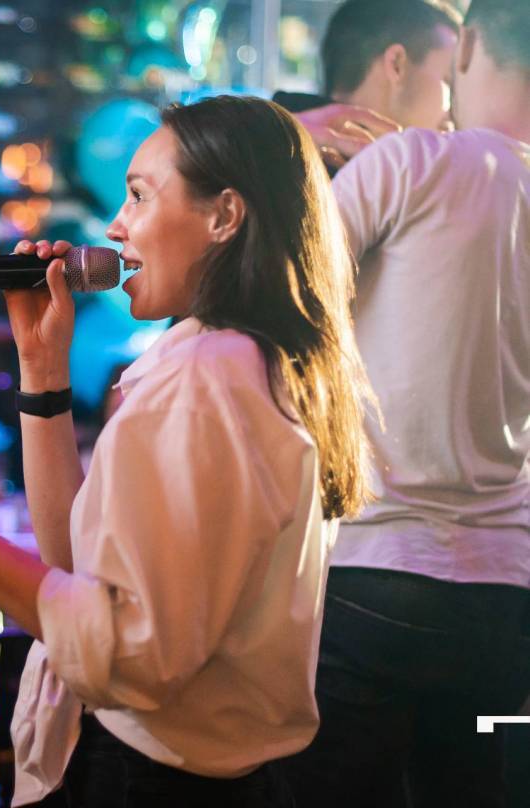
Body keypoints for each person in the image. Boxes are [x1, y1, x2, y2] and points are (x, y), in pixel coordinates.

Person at [0, 95, 374, 807]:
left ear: (224, 216)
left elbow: (129, 653)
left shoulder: (205, 378)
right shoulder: (255, 364)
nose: (116, 226)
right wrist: (42, 371)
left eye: (140, 196)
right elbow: (76, 566)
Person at [279, 2, 530, 805]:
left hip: (375, 569)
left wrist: (288, 144)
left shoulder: (412, 161)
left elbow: (280, 302)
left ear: (470, 43)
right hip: (506, 595)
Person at [276, 0, 461, 169]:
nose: (456, 108)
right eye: (449, 82)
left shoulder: (282, 147)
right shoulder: (282, 157)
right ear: (396, 64)